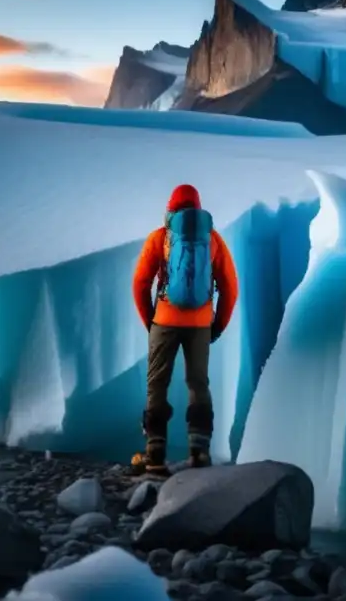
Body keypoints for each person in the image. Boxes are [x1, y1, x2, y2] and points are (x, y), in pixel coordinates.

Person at [130, 184, 238, 475]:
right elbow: (230, 286)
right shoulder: (212, 240)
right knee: (198, 384)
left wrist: (151, 320)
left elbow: (140, 282)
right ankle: (199, 453)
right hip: (200, 324)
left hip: (164, 320)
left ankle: (154, 454)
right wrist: (217, 325)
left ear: (171, 209)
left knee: (157, 385)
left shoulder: (160, 238)